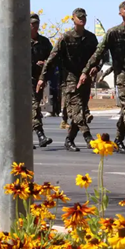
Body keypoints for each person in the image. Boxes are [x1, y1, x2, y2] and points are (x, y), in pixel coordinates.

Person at [82, 0, 125, 154]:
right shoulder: (113, 33)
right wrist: (87, 70)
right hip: (122, 75)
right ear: (120, 13)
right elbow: (99, 52)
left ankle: (118, 140)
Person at [39, 8, 99, 152]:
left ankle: (69, 139)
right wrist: (43, 77)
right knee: (77, 109)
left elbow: (98, 56)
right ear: (73, 19)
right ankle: (88, 137)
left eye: (84, 17)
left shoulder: (91, 38)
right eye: (79, 17)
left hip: (85, 79)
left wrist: (96, 67)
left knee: (78, 110)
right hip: (69, 79)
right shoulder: (65, 38)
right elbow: (52, 59)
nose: (82, 19)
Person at [30, 13, 54, 147]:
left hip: (38, 80)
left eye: (37, 24)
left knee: (32, 109)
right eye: (32, 24)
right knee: (34, 107)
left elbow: (53, 60)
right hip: (22, 80)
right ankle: (40, 135)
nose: (35, 26)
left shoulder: (44, 42)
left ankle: (26, 138)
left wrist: (44, 63)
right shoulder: (19, 41)